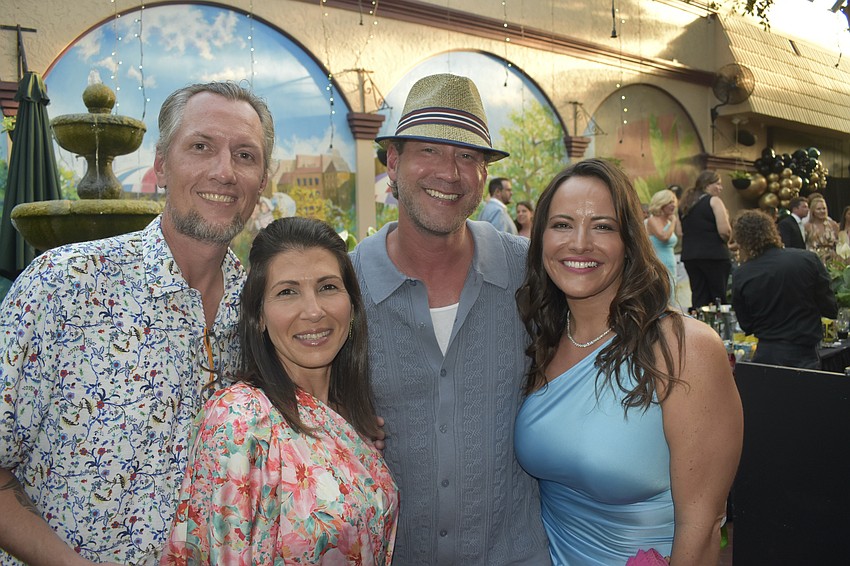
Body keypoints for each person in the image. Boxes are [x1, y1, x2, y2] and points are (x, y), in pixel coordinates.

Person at [0, 81, 274, 565]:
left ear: (263, 179)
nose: (224, 171)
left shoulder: (262, 311)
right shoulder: (64, 286)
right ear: (162, 165)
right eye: (201, 146)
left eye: (245, 155)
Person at [351, 73, 550, 564]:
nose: (450, 172)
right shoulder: (342, 288)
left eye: (467, 156)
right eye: (429, 151)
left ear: (484, 174)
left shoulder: (532, 272)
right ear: (393, 163)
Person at [515, 158, 743, 564]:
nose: (579, 243)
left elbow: (703, 526)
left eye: (603, 226)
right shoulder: (541, 340)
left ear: (630, 242)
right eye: (562, 224)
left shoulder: (683, 348)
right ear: (540, 238)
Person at [161, 217, 398, 564]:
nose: (313, 311)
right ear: (259, 315)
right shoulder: (240, 420)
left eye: (328, 287)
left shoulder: (348, 418)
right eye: (287, 292)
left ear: (352, 305)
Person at [732, 210, 837, 369]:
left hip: (767, 353)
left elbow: (746, 324)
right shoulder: (807, 259)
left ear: (742, 240)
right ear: (772, 230)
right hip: (805, 352)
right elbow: (830, 308)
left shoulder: (742, 273)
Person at [679, 170, 732, 308]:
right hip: (714, 255)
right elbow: (724, 231)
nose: (721, 188)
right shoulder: (714, 201)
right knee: (718, 296)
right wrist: (728, 241)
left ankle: (699, 320)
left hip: (690, 256)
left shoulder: (685, 204)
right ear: (707, 185)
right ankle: (718, 321)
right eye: (718, 184)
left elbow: (680, 231)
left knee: (699, 296)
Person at [645, 189, 681, 304]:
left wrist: (675, 220)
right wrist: (674, 221)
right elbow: (663, 236)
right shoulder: (652, 220)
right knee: (662, 298)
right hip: (659, 264)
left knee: (672, 297)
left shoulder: (668, 223)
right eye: (669, 202)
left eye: (674, 202)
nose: (673, 205)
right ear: (661, 203)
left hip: (671, 264)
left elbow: (680, 233)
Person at [805, 195, 840, 264]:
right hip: (814, 259)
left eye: (824, 208)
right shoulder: (807, 226)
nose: (822, 211)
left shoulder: (833, 224)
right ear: (813, 211)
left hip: (832, 259)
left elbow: (840, 243)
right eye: (818, 209)